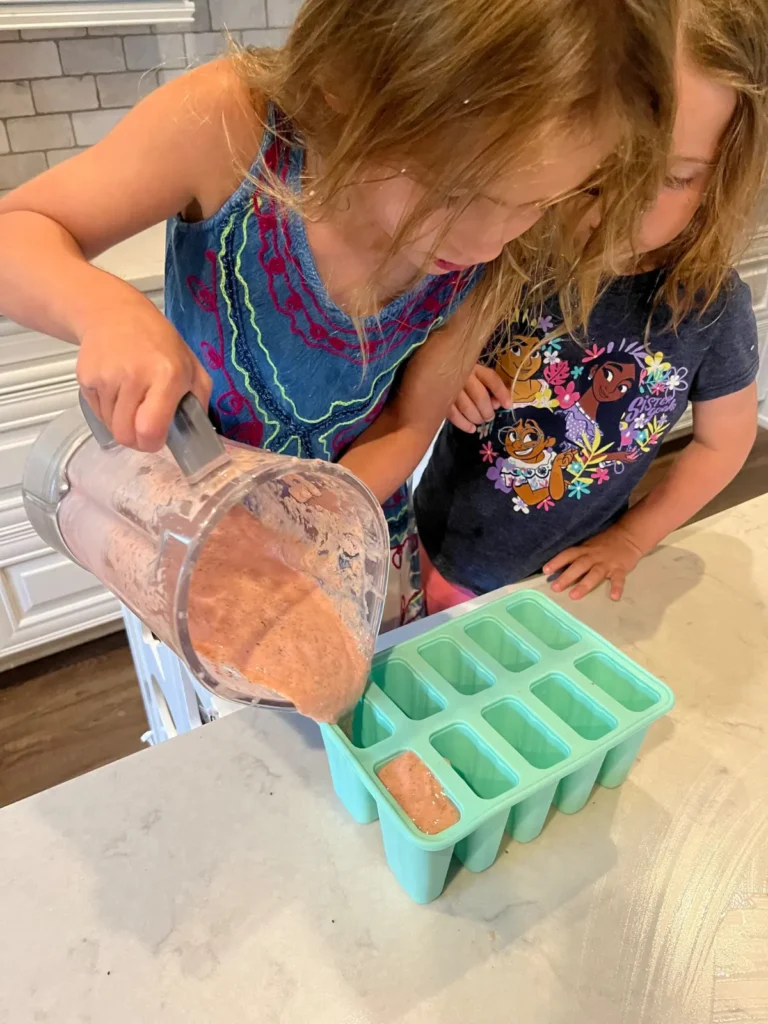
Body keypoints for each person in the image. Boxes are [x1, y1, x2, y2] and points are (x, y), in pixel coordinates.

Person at [0, 0, 675, 628]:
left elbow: (409, 421)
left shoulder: (491, 255)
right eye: (453, 192)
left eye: (535, 202)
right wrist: (107, 311)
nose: (487, 242)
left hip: (349, 524)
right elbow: (18, 232)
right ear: (344, 92)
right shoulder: (230, 126)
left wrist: (303, 532)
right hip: (182, 533)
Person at [414, 0, 768, 611]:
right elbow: (414, 337)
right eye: (598, 171)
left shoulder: (709, 307)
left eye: (672, 176)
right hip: (437, 543)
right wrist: (442, 374)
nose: (620, 210)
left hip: (568, 584)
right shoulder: (502, 247)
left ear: (726, 169)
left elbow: (723, 443)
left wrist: (632, 539)